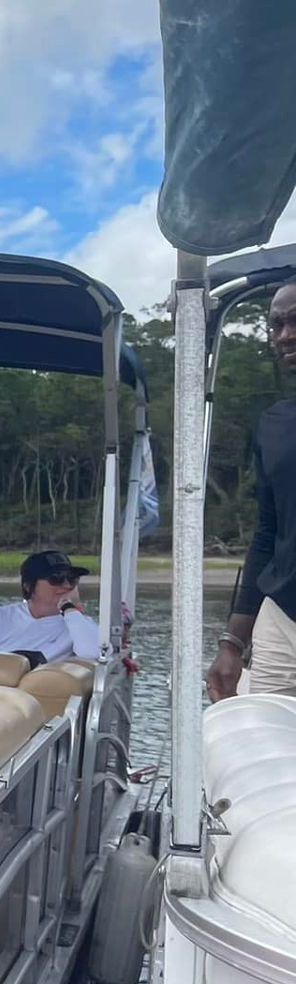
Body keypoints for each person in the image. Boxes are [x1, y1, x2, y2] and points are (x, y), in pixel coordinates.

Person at [209, 278, 296, 699]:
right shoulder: (273, 425)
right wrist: (233, 642)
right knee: (268, 743)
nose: (285, 336)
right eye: (276, 325)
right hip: (281, 614)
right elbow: (267, 533)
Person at [0, 550, 102, 663]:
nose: (67, 585)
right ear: (29, 586)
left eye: (72, 579)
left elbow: (94, 652)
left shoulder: (78, 625)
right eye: (56, 579)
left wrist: (69, 608)